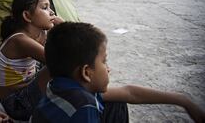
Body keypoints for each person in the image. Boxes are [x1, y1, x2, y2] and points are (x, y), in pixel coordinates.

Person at [31, 22, 205, 123]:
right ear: (86, 72)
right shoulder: (84, 107)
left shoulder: (58, 86)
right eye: (104, 61)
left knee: (117, 102)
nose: (108, 68)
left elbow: (130, 93)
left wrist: (183, 100)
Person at [0, 0, 62, 120]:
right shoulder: (20, 40)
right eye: (45, 7)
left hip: (28, 87)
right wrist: (63, 26)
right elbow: (60, 62)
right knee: (59, 65)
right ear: (27, 16)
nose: (51, 12)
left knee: (63, 61)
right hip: (16, 103)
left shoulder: (40, 33)